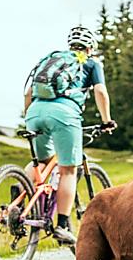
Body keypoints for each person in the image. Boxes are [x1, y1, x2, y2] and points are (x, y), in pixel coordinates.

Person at [23, 26, 115, 245]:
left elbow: (28, 93)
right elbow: (100, 92)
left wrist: (30, 116)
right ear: (90, 47)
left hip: (35, 111)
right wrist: (106, 120)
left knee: (41, 163)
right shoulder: (91, 63)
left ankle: (17, 202)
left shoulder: (51, 59)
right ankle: (63, 225)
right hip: (64, 114)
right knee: (68, 170)